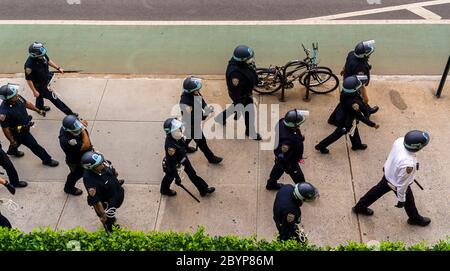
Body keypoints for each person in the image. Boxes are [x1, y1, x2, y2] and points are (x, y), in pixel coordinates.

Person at [353, 130, 431, 227]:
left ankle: (359, 207)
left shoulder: (399, 141)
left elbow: (392, 156)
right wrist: (401, 199)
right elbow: (402, 185)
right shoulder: (409, 164)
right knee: (409, 200)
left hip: (388, 174)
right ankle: (414, 218)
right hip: (396, 182)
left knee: (376, 191)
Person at [315, 76, 380, 154]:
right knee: (335, 135)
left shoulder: (344, 93)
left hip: (347, 117)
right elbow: (360, 117)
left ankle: (356, 145)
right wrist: (373, 125)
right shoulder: (354, 104)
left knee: (353, 130)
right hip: (345, 123)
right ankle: (320, 146)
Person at [0, 83, 59, 167]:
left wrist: (38, 110)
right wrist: (11, 140)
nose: (17, 96)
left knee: (17, 143)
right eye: (14, 96)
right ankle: (47, 160)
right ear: (7, 99)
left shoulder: (18, 98)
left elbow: (27, 104)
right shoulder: (3, 113)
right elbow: (5, 129)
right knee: (34, 145)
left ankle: (12, 151)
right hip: (19, 132)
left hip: (25, 125)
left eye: (16, 94)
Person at [215, 45, 262, 140]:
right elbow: (236, 92)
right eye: (249, 58)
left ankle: (221, 117)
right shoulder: (235, 74)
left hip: (245, 92)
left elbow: (250, 71)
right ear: (242, 60)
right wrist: (239, 104)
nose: (252, 59)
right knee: (249, 112)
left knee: (235, 107)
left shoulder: (243, 63)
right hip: (241, 95)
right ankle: (250, 132)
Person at [161, 118, 215, 197]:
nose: (179, 131)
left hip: (183, 159)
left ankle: (203, 189)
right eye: (177, 130)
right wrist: (177, 177)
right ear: (170, 132)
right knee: (170, 176)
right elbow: (171, 164)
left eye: (179, 129)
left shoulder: (177, 136)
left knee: (192, 174)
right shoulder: (170, 147)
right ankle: (164, 190)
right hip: (173, 163)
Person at [329, 40, 378, 125]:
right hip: (353, 85)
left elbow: (347, 62)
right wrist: (365, 97)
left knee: (355, 99)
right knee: (352, 101)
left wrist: (344, 69)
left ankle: (368, 110)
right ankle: (335, 119)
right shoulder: (361, 67)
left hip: (348, 80)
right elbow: (361, 84)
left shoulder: (351, 54)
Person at [24, 42, 76, 115]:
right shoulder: (29, 65)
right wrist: (34, 91)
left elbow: (48, 61)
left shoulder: (41, 54)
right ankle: (70, 114)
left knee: (39, 95)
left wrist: (58, 68)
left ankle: (39, 107)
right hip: (40, 85)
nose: (43, 55)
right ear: (34, 55)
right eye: (41, 55)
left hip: (46, 78)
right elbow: (28, 80)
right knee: (55, 100)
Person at [179, 76, 222, 164]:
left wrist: (205, 107)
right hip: (192, 124)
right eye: (197, 89)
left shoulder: (195, 93)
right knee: (202, 143)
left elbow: (201, 100)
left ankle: (184, 147)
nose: (198, 91)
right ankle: (211, 158)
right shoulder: (185, 103)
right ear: (191, 91)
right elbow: (191, 118)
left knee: (188, 135)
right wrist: (205, 114)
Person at [81, 150, 125, 233]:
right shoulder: (90, 181)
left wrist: (115, 175)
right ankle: (110, 228)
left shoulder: (103, 163)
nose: (103, 164)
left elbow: (112, 170)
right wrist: (103, 215)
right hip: (107, 202)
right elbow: (96, 202)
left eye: (102, 161)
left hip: (116, 191)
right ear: (92, 168)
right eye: (100, 164)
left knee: (117, 204)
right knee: (109, 218)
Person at [266, 109, 307, 190]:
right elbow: (285, 154)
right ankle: (303, 190)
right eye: (298, 125)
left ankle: (271, 184)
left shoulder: (282, 122)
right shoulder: (288, 141)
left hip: (280, 157)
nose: (299, 126)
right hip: (289, 160)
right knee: (299, 178)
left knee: (277, 169)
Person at [59, 115, 93, 196]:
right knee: (76, 174)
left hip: (87, 155)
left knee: (100, 165)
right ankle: (68, 188)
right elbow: (86, 145)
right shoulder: (67, 140)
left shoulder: (69, 125)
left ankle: (111, 181)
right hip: (76, 160)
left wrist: (79, 123)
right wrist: (82, 129)